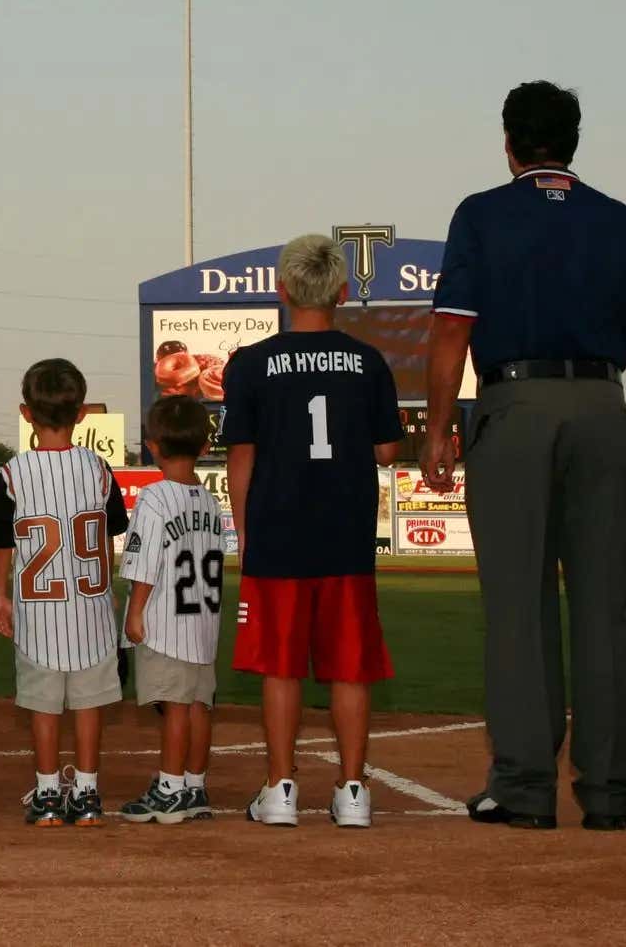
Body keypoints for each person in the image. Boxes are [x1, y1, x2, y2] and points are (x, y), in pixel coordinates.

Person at [422, 81, 626, 833]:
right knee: (605, 607)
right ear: (573, 141)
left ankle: (526, 786)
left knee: (520, 606)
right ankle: (609, 792)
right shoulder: (620, 218)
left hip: (518, 407)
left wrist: (437, 430)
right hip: (603, 407)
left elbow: (451, 335)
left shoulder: (482, 213)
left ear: (509, 142)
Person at [220, 234, 402, 830]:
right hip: (347, 529)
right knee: (349, 666)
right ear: (343, 293)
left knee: (282, 666)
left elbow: (240, 461)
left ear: (281, 290)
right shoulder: (369, 361)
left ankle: (281, 790)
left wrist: (244, 532)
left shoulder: (249, 363)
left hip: (278, 529)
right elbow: (385, 450)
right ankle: (353, 792)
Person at [0, 358, 128, 828]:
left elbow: (3, 542)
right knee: (88, 706)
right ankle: (86, 796)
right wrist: (108, 591)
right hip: (91, 609)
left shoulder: (12, 474)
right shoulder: (99, 470)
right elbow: (107, 536)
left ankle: (46, 798)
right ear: (82, 413)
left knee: (43, 708)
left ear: (26, 414)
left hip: (38, 615)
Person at [117, 394, 225, 825]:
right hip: (203, 623)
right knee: (199, 705)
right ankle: (195, 787)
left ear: (153, 444)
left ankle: (169, 789)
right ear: (203, 447)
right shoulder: (210, 501)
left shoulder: (154, 498)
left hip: (165, 622)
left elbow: (144, 564)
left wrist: (135, 612)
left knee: (175, 707)